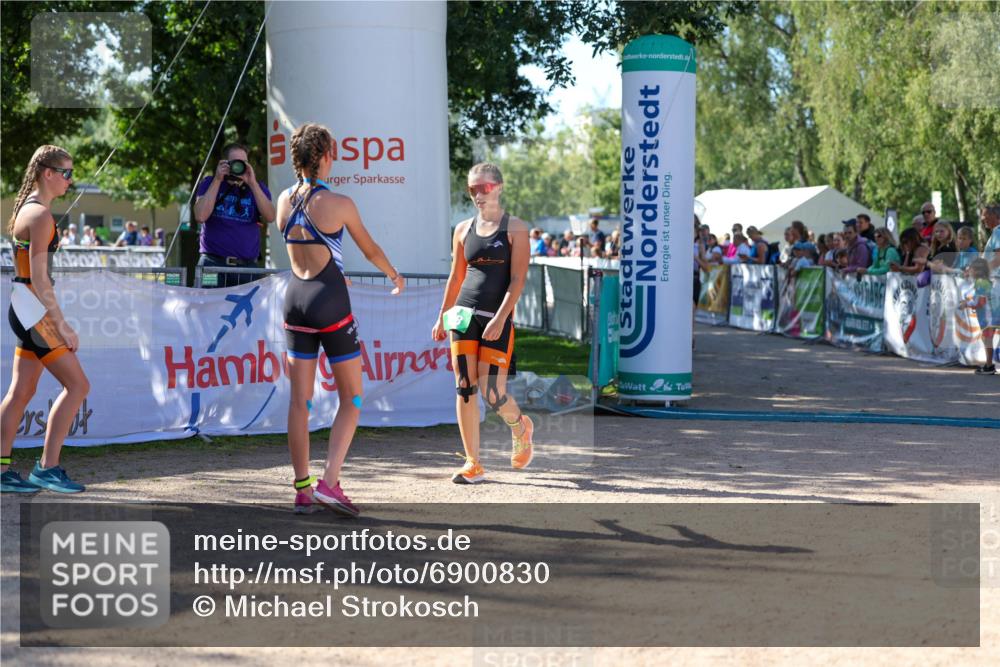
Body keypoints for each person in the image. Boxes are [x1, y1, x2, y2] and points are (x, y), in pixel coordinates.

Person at [275, 123, 405, 516]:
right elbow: (370, 248)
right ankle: (330, 482)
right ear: (327, 155)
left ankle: (302, 488)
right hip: (330, 303)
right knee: (353, 397)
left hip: (295, 300)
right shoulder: (339, 202)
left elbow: (307, 249)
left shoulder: (283, 200)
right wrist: (394, 275)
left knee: (300, 401)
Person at [432, 162, 533, 484]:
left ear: (499, 187)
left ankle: (520, 426)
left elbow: (517, 279)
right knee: (464, 386)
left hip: (497, 315)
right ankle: (472, 462)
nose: (478, 194)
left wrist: (502, 317)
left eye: (484, 187)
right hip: (463, 314)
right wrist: (442, 315)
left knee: (492, 392)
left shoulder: (515, 228)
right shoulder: (462, 229)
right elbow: (456, 277)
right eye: (472, 188)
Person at [1, 145, 90, 494]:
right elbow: (40, 279)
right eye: (66, 173)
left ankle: (4, 470)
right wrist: (63, 325)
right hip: (33, 310)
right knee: (78, 386)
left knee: (20, 392)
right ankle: (47, 468)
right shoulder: (40, 216)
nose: (70, 180)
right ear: (47, 173)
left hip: (23, 307)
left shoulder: (29, 210)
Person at [193, 142, 275, 287]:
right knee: (207, 307)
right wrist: (218, 179)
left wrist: (253, 183)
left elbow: (270, 216)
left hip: (246, 267)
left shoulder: (258, 187)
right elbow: (200, 216)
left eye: (244, 162)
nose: (239, 167)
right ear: (224, 163)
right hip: (213, 265)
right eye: (235, 163)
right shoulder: (209, 183)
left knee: (248, 309)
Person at [962, 258, 997, 375]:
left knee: (987, 340)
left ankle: (989, 365)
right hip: (991, 315)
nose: (969, 270)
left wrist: (966, 304)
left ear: (977, 270)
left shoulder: (981, 282)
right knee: (986, 339)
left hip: (989, 317)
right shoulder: (984, 281)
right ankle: (989, 364)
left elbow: (980, 302)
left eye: (971, 269)